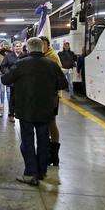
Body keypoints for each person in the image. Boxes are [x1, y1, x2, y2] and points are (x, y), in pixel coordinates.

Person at [2, 37, 68, 185]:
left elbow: (5, 80)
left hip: (25, 109)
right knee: (44, 140)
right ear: (41, 48)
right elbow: (63, 83)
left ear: (29, 49)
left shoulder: (21, 64)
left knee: (27, 141)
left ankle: (30, 173)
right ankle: (42, 171)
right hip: (45, 109)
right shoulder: (51, 64)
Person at [40, 36, 63, 166]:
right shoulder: (45, 56)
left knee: (51, 123)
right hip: (46, 95)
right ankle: (50, 154)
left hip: (51, 96)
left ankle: (53, 155)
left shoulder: (52, 57)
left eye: (43, 44)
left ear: (48, 45)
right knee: (48, 123)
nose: (41, 47)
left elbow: (57, 77)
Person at [0, 41, 23, 123]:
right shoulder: (8, 56)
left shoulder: (25, 56)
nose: (18, 48)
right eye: (16, 46)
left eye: (19, 46)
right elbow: (2, 67)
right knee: (12, 98)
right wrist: (9, 73)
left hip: (22, 81)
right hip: (13, 81)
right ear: (13, 48)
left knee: (22, 98)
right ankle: (11, 114)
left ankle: (21, 114)